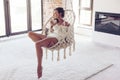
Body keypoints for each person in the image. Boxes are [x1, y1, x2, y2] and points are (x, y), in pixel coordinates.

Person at [28, 7, 70, 79]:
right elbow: (51, 31)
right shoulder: (54, 21)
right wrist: (51, 26)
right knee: (30, 34)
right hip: (50, 36)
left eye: (55, 13)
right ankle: (43, 44)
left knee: (37, 44)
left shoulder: (65, 23)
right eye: (53, 13)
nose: (53, 14)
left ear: (60, 14)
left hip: (56, 39)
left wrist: (61, 23)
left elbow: (67, 33)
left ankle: (39, 66)